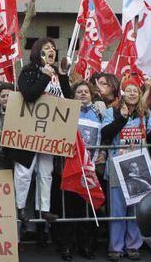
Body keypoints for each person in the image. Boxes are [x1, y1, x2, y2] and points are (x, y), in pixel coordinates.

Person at [6, 37, 72, 223]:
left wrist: (63, 75)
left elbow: (68, 99)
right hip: (28, 131)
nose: (51, 50)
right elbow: (29, 94)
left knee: (46, 171)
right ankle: (20, 207)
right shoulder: (29, 71)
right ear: (38, 52)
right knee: (24, 172)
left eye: (53, 48)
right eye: (46, 48)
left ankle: (43, 208)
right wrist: (44, 75)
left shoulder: (58, 75)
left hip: (49, 131)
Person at [101, 76, 151, 261]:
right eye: (128, 90)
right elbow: (104, 134)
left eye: (135, 91)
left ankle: (133, 245)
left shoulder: (145, 115)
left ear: (139, 94)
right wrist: (121, 119)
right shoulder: (112, 112)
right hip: (117, 164)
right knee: (118, 208)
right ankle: (116, 247)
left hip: (139, 166)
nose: (132, 93)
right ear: (123, 93)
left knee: (136, 208)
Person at [57, 80, 104, 261]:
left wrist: (100, 157)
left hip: (89, 169)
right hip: (72, 167)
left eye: (86, 92)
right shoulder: (68, 112)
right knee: (69, 210)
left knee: (87, 209)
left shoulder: (97, 113)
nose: (83, 94)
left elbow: (101, 138)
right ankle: (66, 246)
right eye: (79, 92)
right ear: (73, 95)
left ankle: (86, 246)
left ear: (91, 95)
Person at [0, 82, 15, 169]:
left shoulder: (22, 113)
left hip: (17, 156)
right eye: (3, 96)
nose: (6, 99)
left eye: (9, 96)